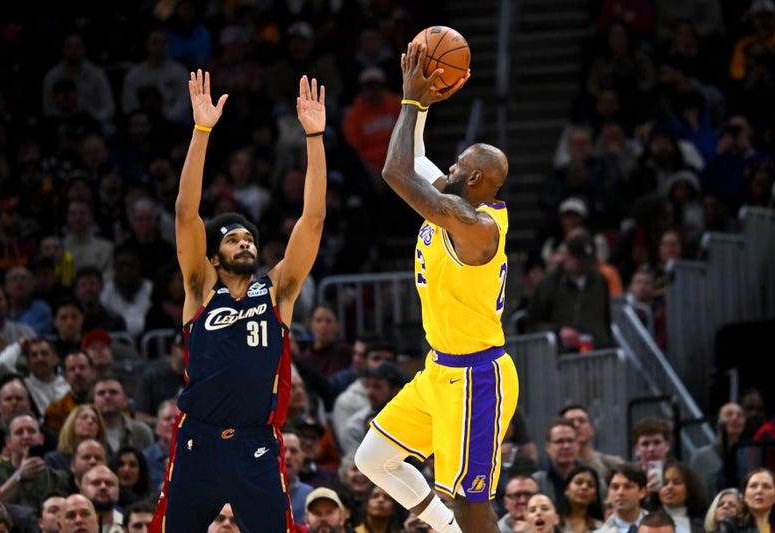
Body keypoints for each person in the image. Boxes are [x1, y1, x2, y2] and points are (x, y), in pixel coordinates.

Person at [149, 69, 327, 533]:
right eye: (233, 240)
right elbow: (185, 212)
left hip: (257, 443)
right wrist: (201, 130)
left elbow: (312, 221)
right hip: (198, 441)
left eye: (249, 238)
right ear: (214, 256)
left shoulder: (278, 290)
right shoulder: (199, 288)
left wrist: (314, 137)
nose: (246, 244)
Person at [354, 41, 518, 533]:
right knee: (374, 458)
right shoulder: (452, 198)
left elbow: (396, 171)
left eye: (454, 166)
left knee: (473, 505)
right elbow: (414, 155)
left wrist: (408, 99)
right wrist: (422, 104)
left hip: (476, 377)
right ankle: (443, 530)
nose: (444, 169)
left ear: (471, 177)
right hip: (439, 370)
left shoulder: (474, 225)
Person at [689, 403, 746, 500]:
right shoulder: (701, 457)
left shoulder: (747, 455)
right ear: (718, 422)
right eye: (729, 414)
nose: (735, 418)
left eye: (740, 415)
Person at [560, 405, 624, 483]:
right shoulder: (554, 471)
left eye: (582, 421)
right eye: (570, 422)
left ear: (591, 429)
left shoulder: (613, 466)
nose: (576, 425)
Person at [533, 418, 582, 506]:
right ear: (548, 447)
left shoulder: (591, 480)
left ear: (578, 445)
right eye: (559, 441)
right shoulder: (536, 482)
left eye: (570, 441)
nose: (566, 446)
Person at [716, 468, 775, 533]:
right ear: (745, 496)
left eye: (766, 486)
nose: (759, 491)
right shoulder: (729, 525)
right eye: (753, 486)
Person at [597, 464, 648, 533]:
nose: (620, 492)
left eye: (628, 487)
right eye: (615, 487)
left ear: (642, 492)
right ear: (608, 493)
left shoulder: (663, 527)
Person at [558, 465, 604, 533]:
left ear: (595, 495)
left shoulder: (601, 528)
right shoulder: (554, 523)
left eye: (590, 485)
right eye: (578, 482)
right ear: (567, 489)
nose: (584, 487)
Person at [79, 464, 123, 532]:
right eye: (96, 483)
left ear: (118, 492)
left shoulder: (130, 525)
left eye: (109, 483)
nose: (103, 487)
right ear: (82, 491)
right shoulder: (70, 526)